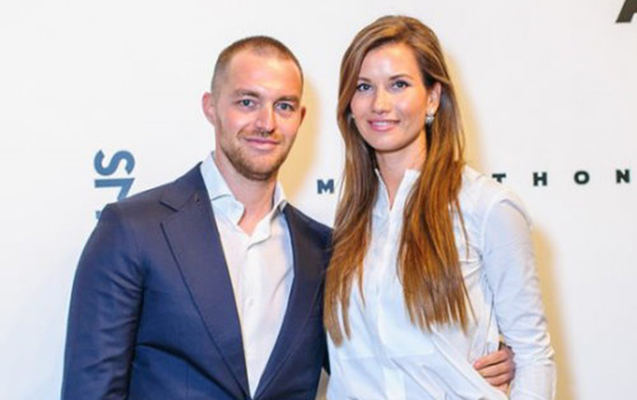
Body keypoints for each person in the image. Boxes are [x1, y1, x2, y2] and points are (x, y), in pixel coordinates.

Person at [62, 35, 515, 400]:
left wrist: (480, 359)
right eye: (247, 102)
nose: (266, 122)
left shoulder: (327, 250)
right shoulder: (134, 229)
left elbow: (375, 360)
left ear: (300, 118)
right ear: (211, 107)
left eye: (282, 106)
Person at [324, 15, 555, 400]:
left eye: (398, 84)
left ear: (433, 97)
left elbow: (533, 354)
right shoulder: (350, 218)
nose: (379, 104)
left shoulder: (487, 206)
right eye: (364, 87)